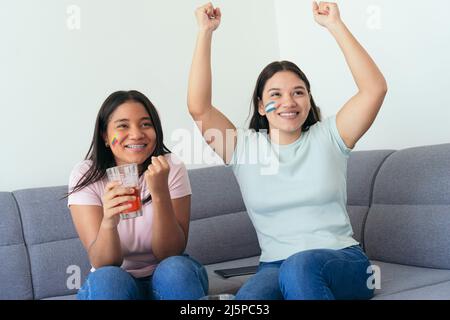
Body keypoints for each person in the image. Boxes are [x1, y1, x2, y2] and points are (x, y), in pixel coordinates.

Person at [188, 2, 387, 300]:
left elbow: (374, 89)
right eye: (275, 94)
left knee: (300, 266)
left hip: (343, 261)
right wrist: (205, 32)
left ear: (308, 100)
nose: (288, 102)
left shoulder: (330, 136)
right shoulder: (243, 148)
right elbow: (199, 108)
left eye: (298, 92)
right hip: (274, 266)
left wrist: (335, 25)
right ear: (259, 105)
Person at [67, 90, 208, 300]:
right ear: (105, 136)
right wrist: (108, 222)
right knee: (107, 280)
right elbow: (103, 263)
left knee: (175, 269)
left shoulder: (171, 167)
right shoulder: (85, 175)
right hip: (116, 280)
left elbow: (170, 253)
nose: (136, 134)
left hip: (166, 275)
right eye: (123, 125)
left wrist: (159, 193)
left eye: (145, 124)